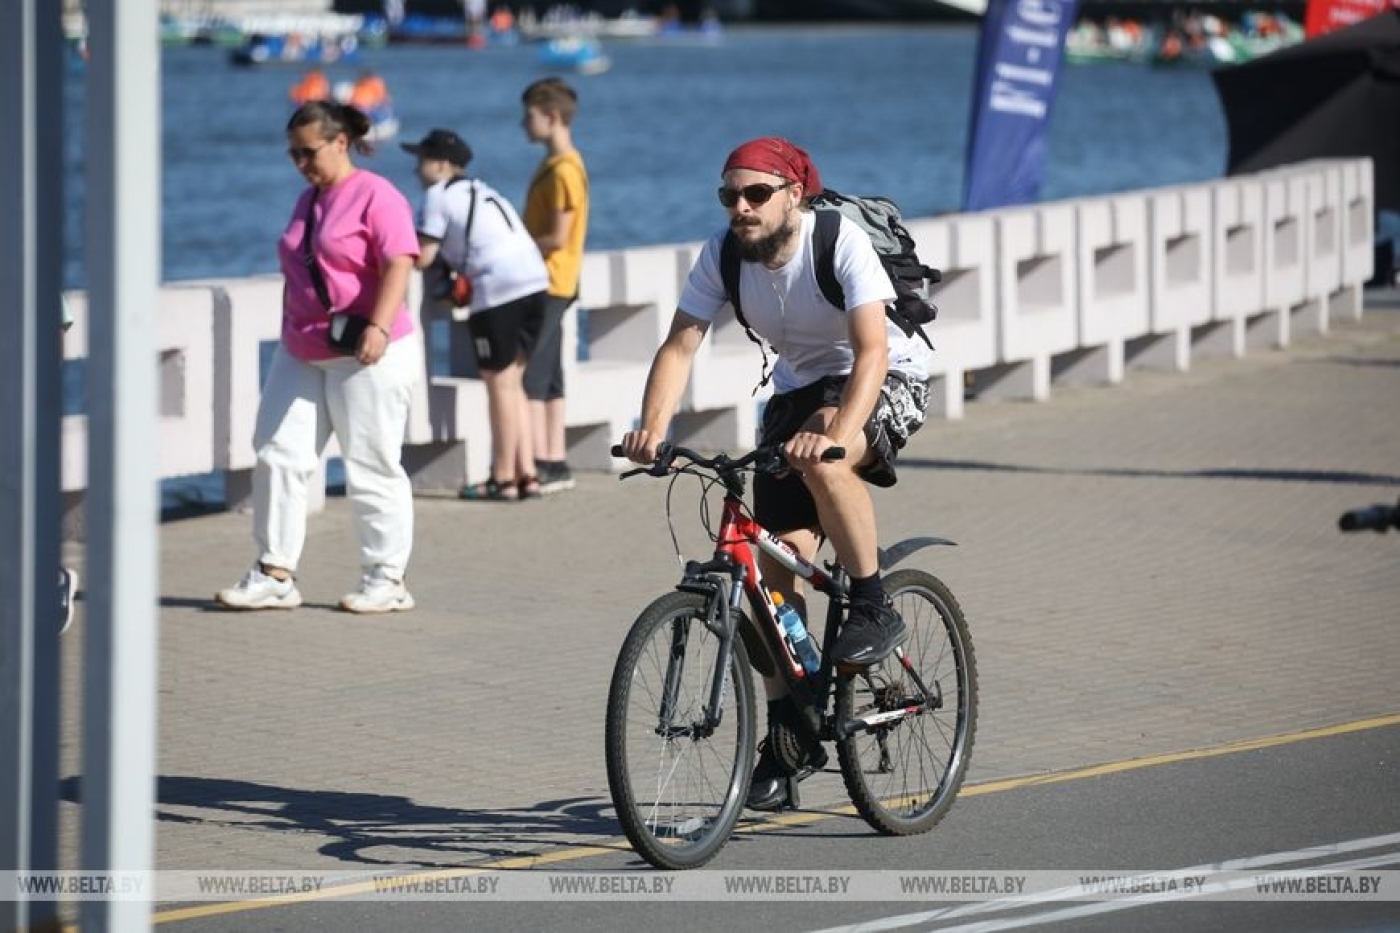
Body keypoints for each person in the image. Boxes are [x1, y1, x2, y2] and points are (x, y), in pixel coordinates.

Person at [619, 137, 932, 811]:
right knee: (770, 572)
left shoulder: (836, 240)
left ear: (794, 193)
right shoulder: (723, 254)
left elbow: (874, 349)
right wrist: (651, 427)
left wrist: (838, 436)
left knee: (825, 451)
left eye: (755, 193)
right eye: (729, 194)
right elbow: (680, 343)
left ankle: (874, 603)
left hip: (882, 376)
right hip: (797, 385)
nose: (740, 206)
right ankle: (790, 729)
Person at [215, 101, 420, 614]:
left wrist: (377, 325)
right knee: (277, 451)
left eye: (308, 153)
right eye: (293, 155)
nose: (300, 163)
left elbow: (400, 262)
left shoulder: (377, 195)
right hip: (304, 347)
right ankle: (275, 572)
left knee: (370, 462)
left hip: (368, 349)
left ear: (340, 143)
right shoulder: (308, 201)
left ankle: (387, 576)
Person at [402, 128, 550, 501]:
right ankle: (526, 473)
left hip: (498, 290)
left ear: (441, 165)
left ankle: (501, 478)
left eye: (422, 160)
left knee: (498, 386)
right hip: (536, 284)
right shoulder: (483, 191)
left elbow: (423, 257)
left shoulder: (436, 196)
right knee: (513, 381)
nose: (417, 169)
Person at [520, 77, 589, 495]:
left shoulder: (564, 168)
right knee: (549, 377)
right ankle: (553, 459)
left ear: (552, 116)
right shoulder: (561, 165)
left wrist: (512, 242)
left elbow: (558, 235)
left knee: (532, 375)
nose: (523, 124)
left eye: (529, 115)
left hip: (549, 280)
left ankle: (536, 462)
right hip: (557, 280)